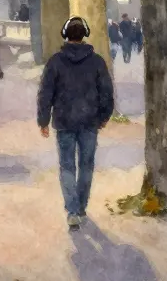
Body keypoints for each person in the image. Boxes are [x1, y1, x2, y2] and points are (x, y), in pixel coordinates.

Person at [38, 16, 115, 230]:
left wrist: (43, 120)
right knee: (87, 166)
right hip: (90, 122)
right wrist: (103, 118)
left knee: (67, 166)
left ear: (65, 35)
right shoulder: (97, 61)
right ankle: (81, 207)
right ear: (85, 35)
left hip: (64, 122)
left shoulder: (55, 61)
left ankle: (72, 211)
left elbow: (45, 94)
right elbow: (107, 93)